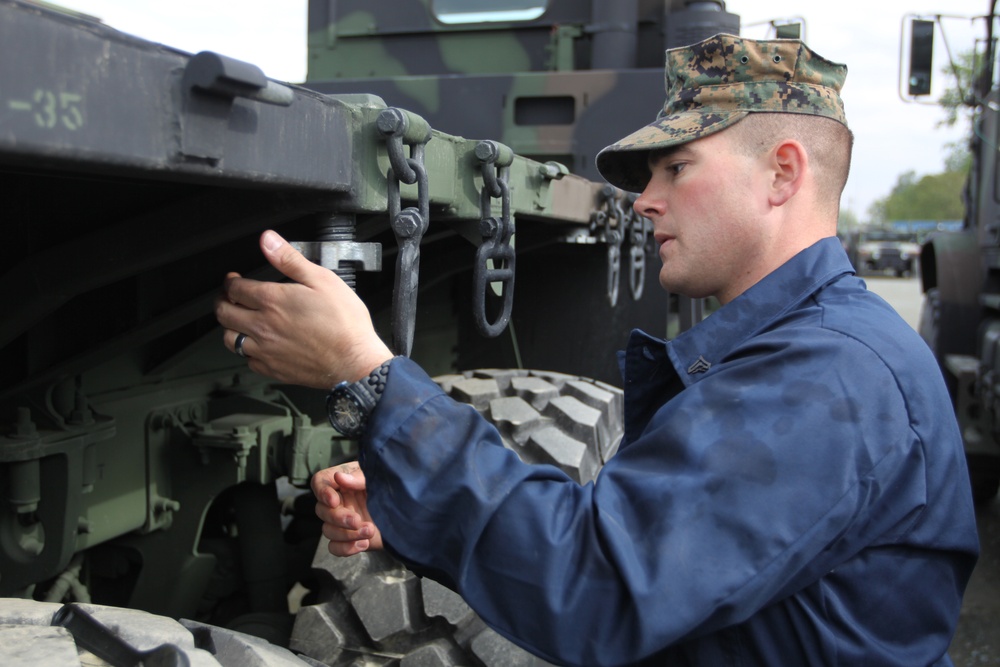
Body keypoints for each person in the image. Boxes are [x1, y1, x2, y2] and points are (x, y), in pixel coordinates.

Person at [216, 34, 979, 666]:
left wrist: (369, 375)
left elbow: (596, 581)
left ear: (783, 172)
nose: (646, 199)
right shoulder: (809, 351)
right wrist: (409, 493)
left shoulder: (826, 377)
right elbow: (644, 543)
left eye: (676, 168)